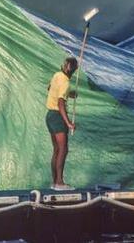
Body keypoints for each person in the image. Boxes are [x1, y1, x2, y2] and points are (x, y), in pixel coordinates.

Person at [45, 57, 79, 191]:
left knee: (57, 150)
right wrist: (69, 123)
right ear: (72, 69)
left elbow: (50, 88)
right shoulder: (65, 82)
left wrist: (69, 94)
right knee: (63, 150)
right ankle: (59, 182)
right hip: (58, 117)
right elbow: (60, 103)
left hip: (49, 116)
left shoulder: (57, 75)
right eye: (74, 69)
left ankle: (55, 182)